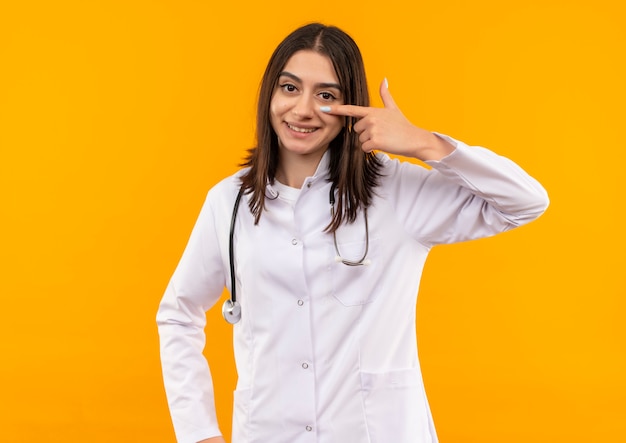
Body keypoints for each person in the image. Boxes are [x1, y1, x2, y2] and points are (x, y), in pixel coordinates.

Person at [156, 22, 549, 443]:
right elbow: (178, 314)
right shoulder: (229, 202)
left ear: (351, 108)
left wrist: (423, 143)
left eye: (326, 95)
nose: (303, 110)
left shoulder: (396, 192)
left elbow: (526, 201)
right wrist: (198, 433)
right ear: (269, 93)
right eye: (290, 88)